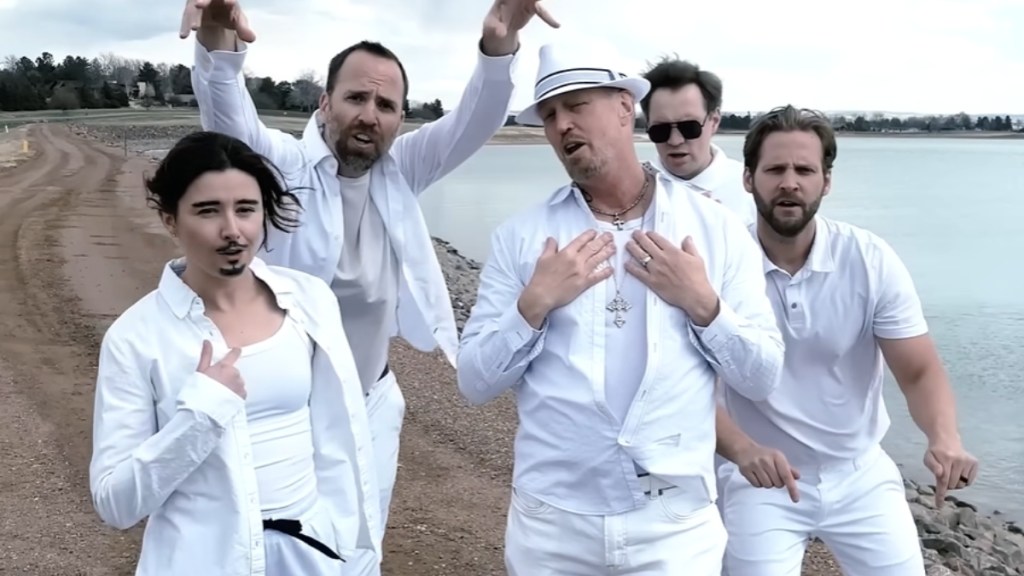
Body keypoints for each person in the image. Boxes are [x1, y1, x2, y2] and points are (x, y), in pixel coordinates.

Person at [177, 1, 558, 572]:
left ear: (400, 117)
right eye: (356, 98)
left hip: (371, 400)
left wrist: (498, 45)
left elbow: (473, 123)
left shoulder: (404, 168)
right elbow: (230, 121)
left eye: (386, 105)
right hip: (284, 405)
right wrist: (216, 40)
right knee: (272, 547)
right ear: (325, 102)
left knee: (358, 547)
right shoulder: (282, 167)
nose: (369, 115)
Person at [456, 43, 786, 575]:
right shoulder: (522, 237)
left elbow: (763, 376)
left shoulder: (713, 228)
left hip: (674, 527)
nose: (562, 125)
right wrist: (533, 306)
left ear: (625, 107)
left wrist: (703, 305)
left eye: (577, 105)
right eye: (550, 115)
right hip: (552, 523)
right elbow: (473, 382)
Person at [88, 131, 379, 575]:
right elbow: (115, 503)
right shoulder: (135, 338)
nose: (232, 230)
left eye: (246, 209)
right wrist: (200, 416)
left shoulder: (310, 300)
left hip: (312, 555)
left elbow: (341, 444)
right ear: (170, 220)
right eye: (208, 211)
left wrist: (356, 555)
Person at [715, 105, 979, 576]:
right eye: (775, 169)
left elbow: (917, 371)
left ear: (827, 181)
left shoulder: (869, 259)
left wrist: (944, 437)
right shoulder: (720, 264)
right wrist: (737, 448)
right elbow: (681, 379)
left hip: (859, 473)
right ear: (748, 179)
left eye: (804, 170)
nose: (789, 182)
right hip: (760, 476)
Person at [640, 57, 755, 225]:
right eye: (660, 130)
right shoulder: (633, 189)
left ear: (714, 121)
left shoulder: (749, 190)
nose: (675, 140)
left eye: (689, 128)